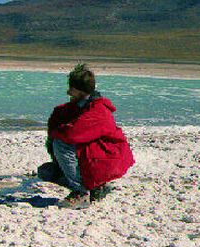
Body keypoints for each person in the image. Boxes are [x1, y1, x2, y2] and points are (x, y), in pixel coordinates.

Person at [39, 63, 135, 209]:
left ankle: (81, 192)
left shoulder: (98, 111)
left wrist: (55, 131)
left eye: (72, 89)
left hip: (106, 158)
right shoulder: (83, 106)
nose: (68, 92)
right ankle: (96, 188)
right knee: (46, 172)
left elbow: (72, 134)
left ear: (80, 91)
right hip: (95, 156)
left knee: (61, 143)